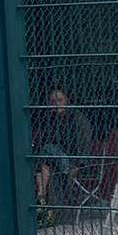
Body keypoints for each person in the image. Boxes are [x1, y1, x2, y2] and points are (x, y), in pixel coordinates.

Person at [32, 86, 94, 227]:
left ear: (67, 100)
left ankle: (41, 199)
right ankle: (42, 198)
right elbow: (46, 140)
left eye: (59, 100)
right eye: (53, 101)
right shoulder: (52, 120)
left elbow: (81, 147)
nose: (56, 104)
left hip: (75, 160)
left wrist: (76, 164)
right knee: (45, 162)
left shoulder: (77, 119)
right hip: (56, 159)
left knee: (46, 152)